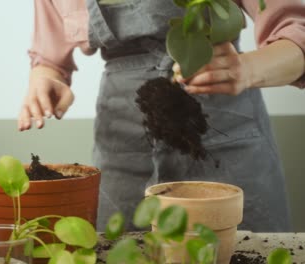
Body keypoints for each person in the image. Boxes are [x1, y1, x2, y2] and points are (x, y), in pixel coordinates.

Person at [18, 0, 305, 232]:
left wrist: (247, 68)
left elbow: (298, 32)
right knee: (122, 247)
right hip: (121, 146)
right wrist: (46, 79)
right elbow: (48, 59)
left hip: (224, 134)